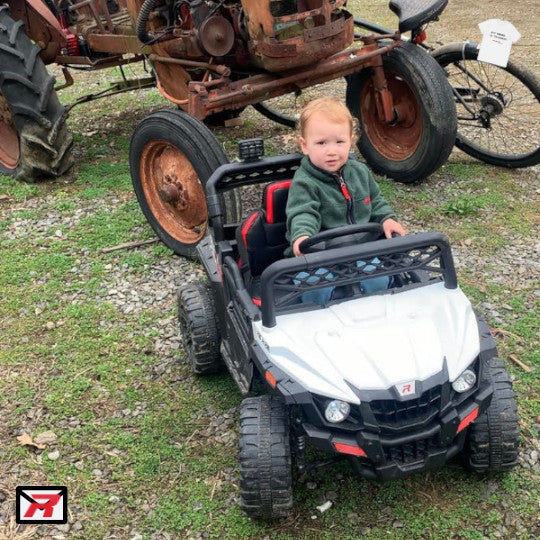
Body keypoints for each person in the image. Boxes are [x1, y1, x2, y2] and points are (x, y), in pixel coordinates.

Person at [285, 96, 406, 304]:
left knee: (379, 278)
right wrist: (303, 235)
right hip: (317, 257)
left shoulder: (360, 172)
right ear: (305, 146)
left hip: (360, 250)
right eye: (321, 143)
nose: (331, 151)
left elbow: (375, 202)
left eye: (339, 142)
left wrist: (387, 218)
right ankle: (321, 311)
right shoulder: (304, 182)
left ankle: (376, 308)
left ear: (351, 141)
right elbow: (303, 213)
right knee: (314, 286)